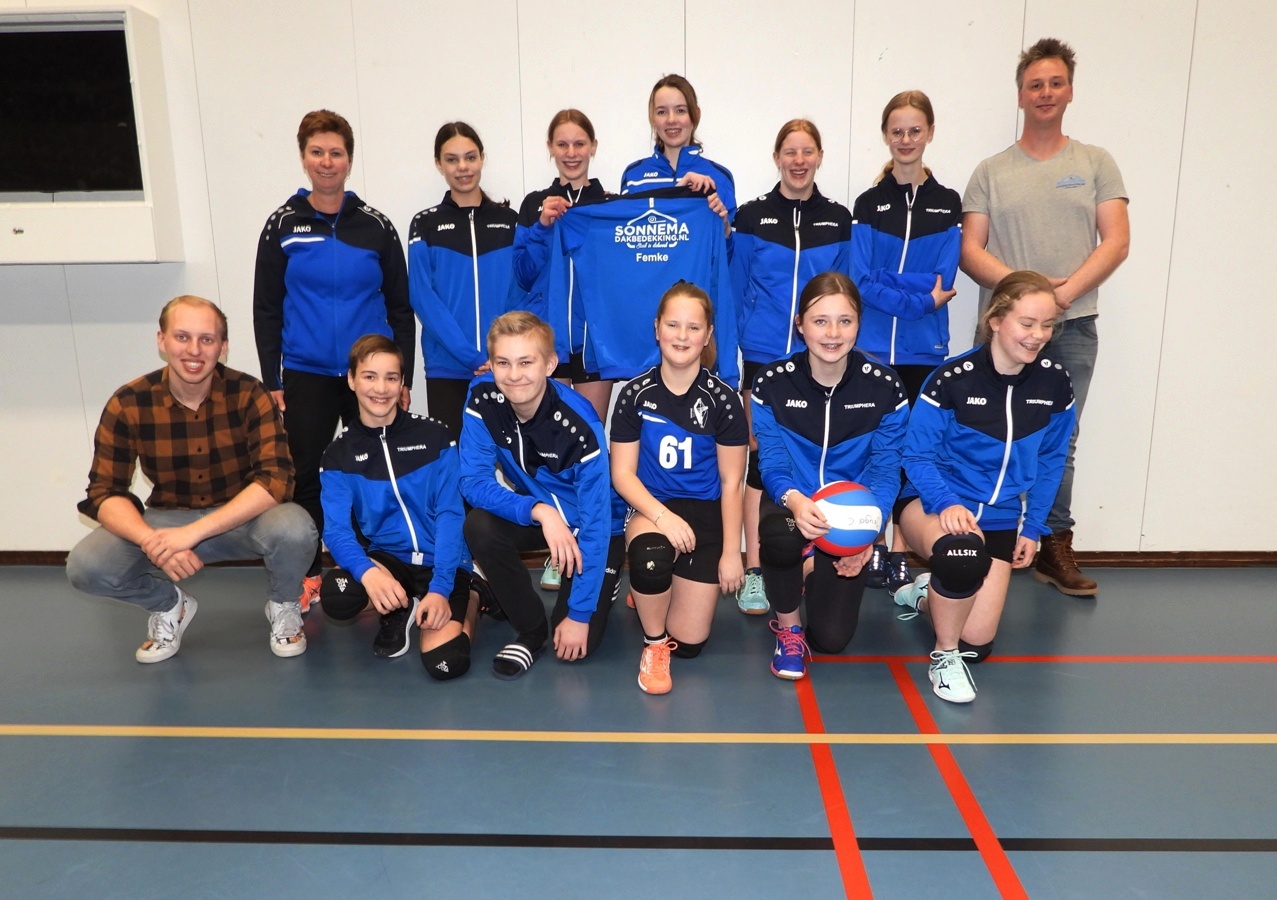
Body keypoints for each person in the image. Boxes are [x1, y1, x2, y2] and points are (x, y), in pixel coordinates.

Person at [960, 38, 1129, 596]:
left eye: (1055, 83)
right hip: (1003, 333)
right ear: (1020, 95)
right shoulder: (991, 171)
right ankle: (980, 537)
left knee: (1062, 436)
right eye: (1035, 84)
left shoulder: (1095, 163)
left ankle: (1053, 543)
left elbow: (1116, 241)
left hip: (1073, 325)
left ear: (1070, 91)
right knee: (985, 430)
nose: (1045, 92)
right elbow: (970, 250)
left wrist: (1059, 301)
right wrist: (1025, 302)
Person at [67, 296, 317, 662]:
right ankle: (170, 604)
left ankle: (283, 604)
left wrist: (193, 534)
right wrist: (151, 541)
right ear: (161, 340)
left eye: (207, 339)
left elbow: (276, 480)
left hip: (243, 519)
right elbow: (104, 492)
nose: (194, 350)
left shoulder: (250, 395)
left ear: (223, 346)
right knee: (85, 566)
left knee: (296, 527)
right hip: (167, 522)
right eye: (182, 337)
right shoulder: (129, 402)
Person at [253, 109, 415, 613]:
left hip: (369, 376)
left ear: (349, 159)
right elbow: (266, 307)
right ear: (304, 158)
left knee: (378, 472)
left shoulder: (376, 226)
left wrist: (401, 377)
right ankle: (308, 576)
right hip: (306, 374)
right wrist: (272, 379)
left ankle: (378, 570)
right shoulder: (282, 224)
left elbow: (400, 308)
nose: (327, 162)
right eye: (317, 152)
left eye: (336, 153)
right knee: (306, 475)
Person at [892, 271, 1076, 703]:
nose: (1037, 335)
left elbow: (1052, 460)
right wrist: (946, 502)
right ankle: (944, 656)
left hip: (1000, 514)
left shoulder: (1055, 383)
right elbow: (915, 456)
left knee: (977, 643)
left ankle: (927, 594)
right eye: (1027, 323)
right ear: (995, 320)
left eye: (1047, 325)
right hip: (931, 504)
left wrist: (1033, 528)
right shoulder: (952, 378)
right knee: (961, 555)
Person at [751, 273, 909, 680]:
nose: (833, 333)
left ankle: (808, 567)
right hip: (794, 501)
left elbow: (886, 469)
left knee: (832, 639)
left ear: (859, 324)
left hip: (852, 511)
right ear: (800, 324)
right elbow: (772, 463)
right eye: (820, 321)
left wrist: (867, 535)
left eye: (845, 320)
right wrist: (795, 500)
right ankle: (788, 629)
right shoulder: (771, 382)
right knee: (780, 536)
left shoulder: (886, 387)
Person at [460, 312, 626, 680]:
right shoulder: (482, 398)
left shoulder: (580, 424)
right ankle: (530, 631)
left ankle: (603, 580)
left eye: (526, 362)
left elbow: (597, 522)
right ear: (491, 364)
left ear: (549, 365)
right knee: (479, 526)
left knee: (576, 643)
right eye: (503, 363)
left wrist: (579, 614)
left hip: (594, 527)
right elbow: (472, 481)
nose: (514, 375)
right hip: (543, 518)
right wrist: (539, 510)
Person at [731, 118, 854, 616]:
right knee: (759, 458)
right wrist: (739, 350)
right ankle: (757, 570)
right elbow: (735, 286)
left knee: (811, 453)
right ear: (777, 157)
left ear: (819, 156)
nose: (798, 161)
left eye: (807, 152)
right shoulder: (751, 216)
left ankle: (807, 553)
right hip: (764, 355)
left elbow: (847, 292)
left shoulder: (839, 218)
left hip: (821, 358)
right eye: (790, 152)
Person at [609, 283, 747, 694]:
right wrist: (663, 517)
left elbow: (731, 482)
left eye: (693, 327)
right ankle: (653, 644)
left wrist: (731, 553)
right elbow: (622, 475)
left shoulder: (724, 400)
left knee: (688, 644)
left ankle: (653, 593)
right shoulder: (635, 394)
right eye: (673, 325)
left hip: (704, 514)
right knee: (651, 559)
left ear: (707, 335)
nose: (682, 336)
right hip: (653, 508)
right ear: (657, 329)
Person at [851, 91, 962, 595]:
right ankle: (872, 543)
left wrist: (893, 285)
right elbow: (860, 280)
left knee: (914, 454)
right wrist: (919, 297)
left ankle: (900, 553)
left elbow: (943, 278)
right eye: (897, 131)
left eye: (915, 130)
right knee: (875, 451)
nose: (905, 139)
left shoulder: (948, 203)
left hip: (924, 351)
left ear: (930, 133)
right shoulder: (868, 204)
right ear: (885, 136)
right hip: (873, 348)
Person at [317, 335, 479, 678]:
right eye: (369, 376)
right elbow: (336, 531)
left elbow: (451, 514)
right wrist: (369, 573)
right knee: (338, 595)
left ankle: (475, 595)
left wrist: (441, 587)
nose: (381, 388)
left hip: (444, 560)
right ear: (351, 379)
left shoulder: (436, 437)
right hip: (389, 559)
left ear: (403, 382)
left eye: (391, 377)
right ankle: (398, 606)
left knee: (446, 663)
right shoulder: (337, 455)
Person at [513, 109, 611, 594]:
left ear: (593, 146)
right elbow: (523, 273)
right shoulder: (534, 203)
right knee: (548, 451)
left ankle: (592, 545)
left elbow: (620, 273)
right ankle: (559, 546)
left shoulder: (610, 204)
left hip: (593, 347)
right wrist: (541, 227)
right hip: (547, 345)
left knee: (587, 447)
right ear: (551, 149)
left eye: (579, 143)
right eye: (562, 144)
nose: (571, 153)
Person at [408, 122, 520, 437]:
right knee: (454, 459)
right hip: (447, 368)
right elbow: (422, 297)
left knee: (512, 460)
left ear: (482, 158)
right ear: (439, 164)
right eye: (452, 159)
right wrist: (470, 356)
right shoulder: (424, 224)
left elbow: (520, 292)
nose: (463, 167)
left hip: (505, 367)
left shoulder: (509, 222)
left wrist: (500, 352)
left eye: (470, 157)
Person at [620, 74, 735, 231]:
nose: (671, 120)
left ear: (695, 115)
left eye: (680, 110)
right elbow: (625, 237)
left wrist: (724, 227)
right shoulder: (633, 176)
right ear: (652, 118)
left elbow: (730, 245)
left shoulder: (720, 177)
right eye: (662, 112)